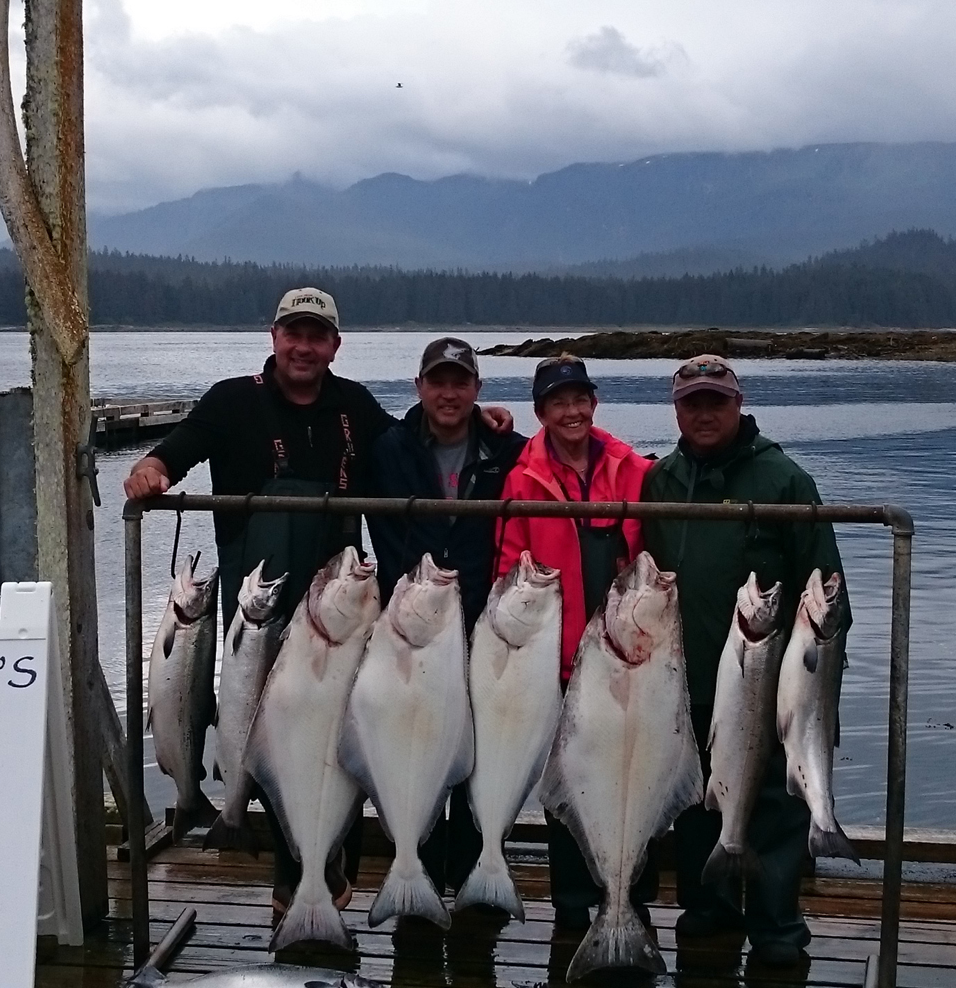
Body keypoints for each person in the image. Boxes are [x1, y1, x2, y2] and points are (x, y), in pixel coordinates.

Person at [124, 290, 509, 913]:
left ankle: (336, 879)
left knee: (342, 737)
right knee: (274, 739)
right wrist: (152, 466)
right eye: (293, 333)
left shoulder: (354, 405)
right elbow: (182, 445)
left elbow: (414, 440)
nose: (304, 347)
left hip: (341, 609)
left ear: (335, 345)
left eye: (317, 336)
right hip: (261, 612)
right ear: (274, 336)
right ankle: (291, 881)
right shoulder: (232, 400)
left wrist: (478, 419)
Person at [640, 353, 848, 977]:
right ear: (676, 410)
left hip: (769, 685)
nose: (704, 413)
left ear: (739, 404)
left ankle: (778, 929)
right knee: (699, 806)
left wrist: (816, 687)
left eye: (716, 401)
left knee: (778, 810)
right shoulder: (661, 481)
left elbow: (829, 591)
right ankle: (710, 909)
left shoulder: (785, 480)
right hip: (687, 683)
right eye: (692, 403)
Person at [493, 357, 652, 945]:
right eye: (558, 403)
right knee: (567, 787)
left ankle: (630, 900)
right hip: (558, 662)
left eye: (580, 399)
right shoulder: (521, 479)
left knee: (630, 780)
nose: (572, 412)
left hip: (626, 659)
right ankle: (571, 908)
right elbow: (507, 567)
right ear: (540, 413)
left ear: (594, 403)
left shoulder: (634, 469)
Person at [368, 337, 524, 900]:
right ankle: (419, 880)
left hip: (487, 630)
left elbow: (568, 455)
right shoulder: (386, 449)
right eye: (438, 382)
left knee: (480, 757)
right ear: (419, 387)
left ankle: (475, 886)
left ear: (478, 389)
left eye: (461, 383)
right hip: (413, 635)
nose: (449, 394)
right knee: (417, 749)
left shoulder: (509, 451)